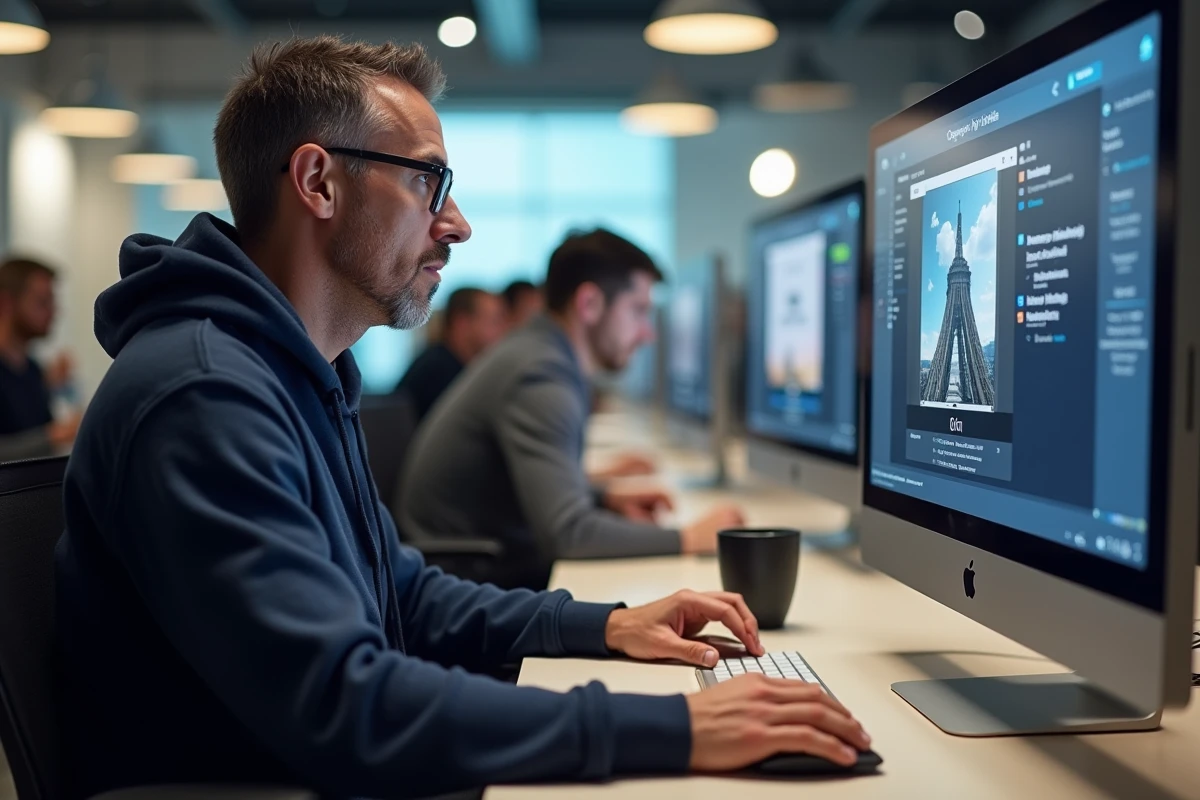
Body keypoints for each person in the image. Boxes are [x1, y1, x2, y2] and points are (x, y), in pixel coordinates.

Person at [54, 37, 870, 800]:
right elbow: (344, 704)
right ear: (318, 182)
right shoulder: (204, 395)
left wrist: (610, 625)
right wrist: (675, 724)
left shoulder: (298, 372)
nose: (457, 222)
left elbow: (402, 597)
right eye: (427, 181)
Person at [399, 229, 746, 589]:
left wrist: (603, 497)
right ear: (590, 304)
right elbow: (569, 533)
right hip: (467, 583)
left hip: (473, 563)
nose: (648, 333)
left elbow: (522, 492)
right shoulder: (541, 375)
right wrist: (690, 538)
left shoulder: (539, 353)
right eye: (638, 310)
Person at [0, 257, 79, 460]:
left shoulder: (33, 370)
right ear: (6, 302)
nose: (54, 312)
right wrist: (55, 435)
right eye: (42, 302)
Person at [393, 286, 505, 421]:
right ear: (462, 323)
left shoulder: (453, 364)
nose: (504, 330)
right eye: (494, 322)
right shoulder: (438, 370)